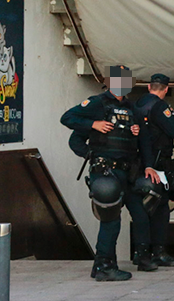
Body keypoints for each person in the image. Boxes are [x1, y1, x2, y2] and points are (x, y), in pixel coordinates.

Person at [60, 65, 154, 281]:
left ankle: (142, 256)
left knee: (140, 211)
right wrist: (93, 125)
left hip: (128, 171)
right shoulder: (97, 104)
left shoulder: (133, 109)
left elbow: (144, 141)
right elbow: (68, 119)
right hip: (106, 171)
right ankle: (104, 266)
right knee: (111, 220)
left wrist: (147, 162)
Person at [134, 73, 174, 268]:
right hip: (157, 164)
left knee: (141, 208)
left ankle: (141, 252)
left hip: (137, 164)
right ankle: (158, 252)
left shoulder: (136, 104)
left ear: (149, 87)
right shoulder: (160, 106)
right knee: (161, 207)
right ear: (166, 89)